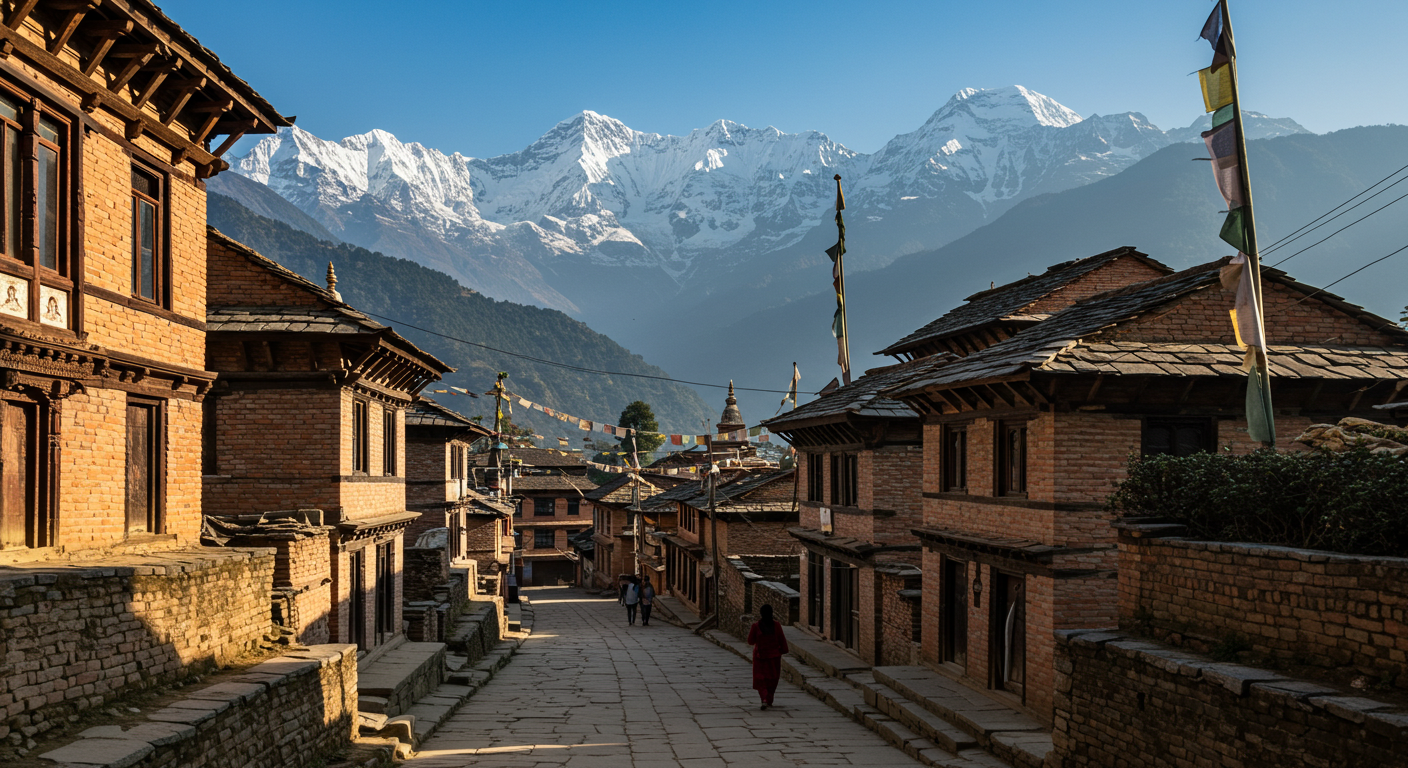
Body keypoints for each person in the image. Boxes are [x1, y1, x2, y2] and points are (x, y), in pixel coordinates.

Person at [746, 603, 788, 709]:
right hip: (774, 657)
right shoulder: (776, 625)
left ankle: (764, 698)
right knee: (773, 678)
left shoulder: (756, 626)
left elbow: (750, 641)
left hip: (760, 657)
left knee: (761, 678)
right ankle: (769, 699)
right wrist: (782, 650)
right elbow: (782, 640)